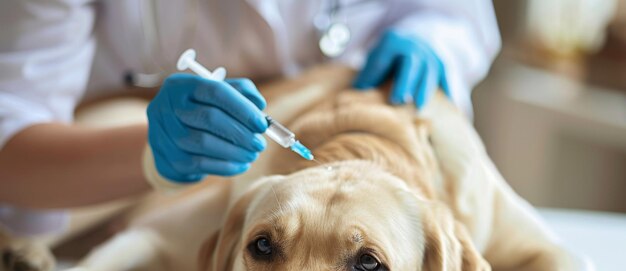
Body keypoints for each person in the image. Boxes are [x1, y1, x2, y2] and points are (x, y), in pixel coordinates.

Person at [0, 0, 500, 237]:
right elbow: (11, 141)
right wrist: (154, 153)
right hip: (112, 191)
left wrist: (433, 36)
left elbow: (458, 15)